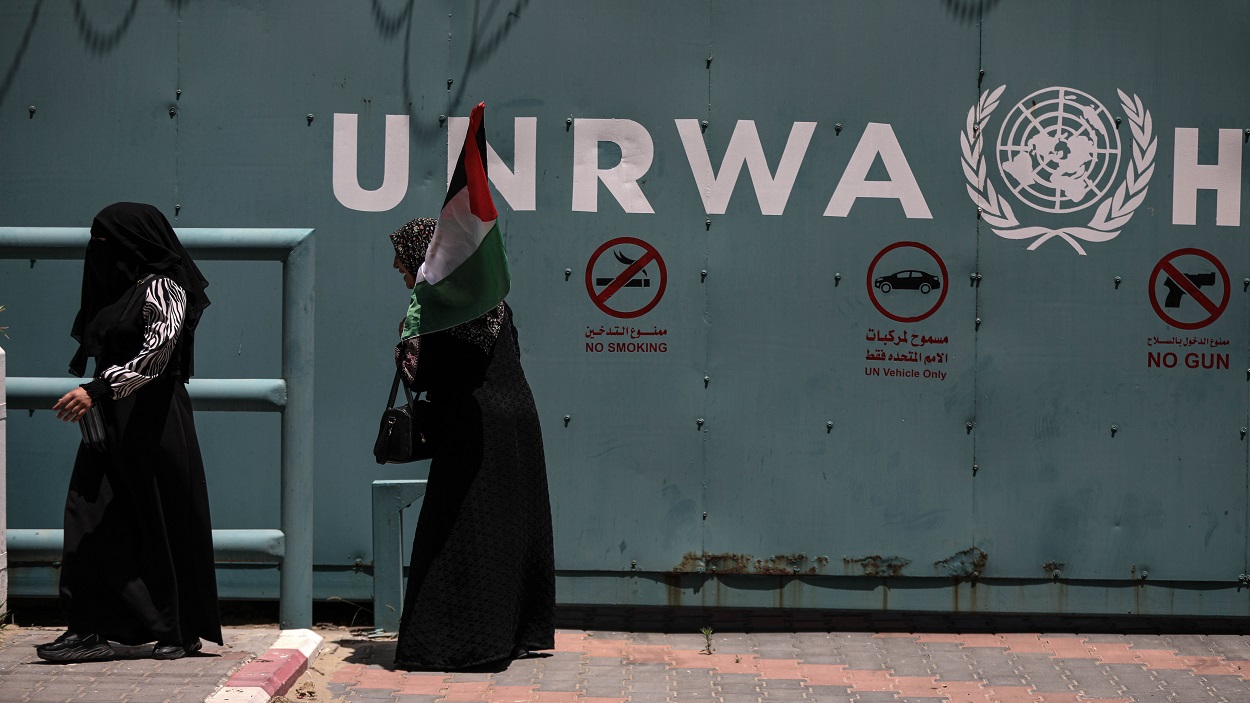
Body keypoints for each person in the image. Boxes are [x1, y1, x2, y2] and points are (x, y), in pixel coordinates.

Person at [37, 202, 221, 662]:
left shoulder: (166, 287)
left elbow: (156, 356)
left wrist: (98, 389)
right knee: (88, 514)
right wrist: (99, 396)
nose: (98, 252)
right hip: (108, 421)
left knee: (158, 521)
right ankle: (88, 626)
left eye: (107, 242)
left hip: (154, 421)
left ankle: (177, 629)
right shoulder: (119, 289)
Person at [387, 217, 555, 671]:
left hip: (471, 424)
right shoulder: (489, 299)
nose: (399, 269)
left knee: (457, 529)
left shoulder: (438, 306)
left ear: (426, 257)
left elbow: (420, 374)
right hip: (517, 417)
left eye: (403, 261)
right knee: (509, 526)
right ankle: (518, 633)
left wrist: (405, 338)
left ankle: (459, 644)